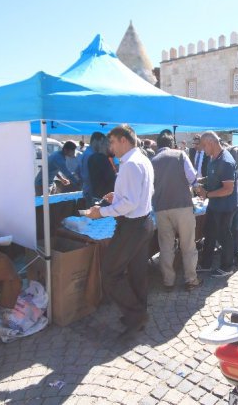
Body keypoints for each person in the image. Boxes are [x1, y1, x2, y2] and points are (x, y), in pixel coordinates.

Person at [85, 124, 154, 340]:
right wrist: (119, 196)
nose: (110, 147)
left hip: (132, 225)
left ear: (124, 140)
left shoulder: (131, 164)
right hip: (142, 223)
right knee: (137, 272)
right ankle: (138, 314)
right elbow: (140, 194)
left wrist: (101, 212)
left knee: (109, 272)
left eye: (113, 142)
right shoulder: (141, 159)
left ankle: (137, 315)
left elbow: (130, 204)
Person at [151, 133, 202, 291]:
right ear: (172, 143)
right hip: (182, 206)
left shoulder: (152, 161)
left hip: (160, 208)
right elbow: (192, 178)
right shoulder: (180, 154)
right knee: (188, 244)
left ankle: (168, 281)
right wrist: (199, 190)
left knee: (166, 246)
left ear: (158, 145)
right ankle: (191, 280)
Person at [195, 131, 238, 277]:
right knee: (209, 233)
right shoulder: (214, 157)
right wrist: (201, 181)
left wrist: (207, 194)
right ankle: (206, 264)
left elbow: (228, 189)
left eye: (204, 146)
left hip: (225, 206)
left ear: (211, 143)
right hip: (214, 205)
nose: (202, 149)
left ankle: (227, 266)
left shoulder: (226, 161)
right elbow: (214, 176)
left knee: (224, 235)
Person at [88, 134, 117, 204]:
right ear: (107, 145)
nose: (114, 150)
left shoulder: (92, 157)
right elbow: (111, 179)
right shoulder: (102, 159)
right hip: (104, 199)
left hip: (96, 196)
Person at [78, 132, 104, 206]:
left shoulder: (86, 152)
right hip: (92, 192)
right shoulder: (91, 155)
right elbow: (89, 176)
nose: (102, 145)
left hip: (87, 189)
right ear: (95, 141)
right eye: (101, 142)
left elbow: (78, 171)